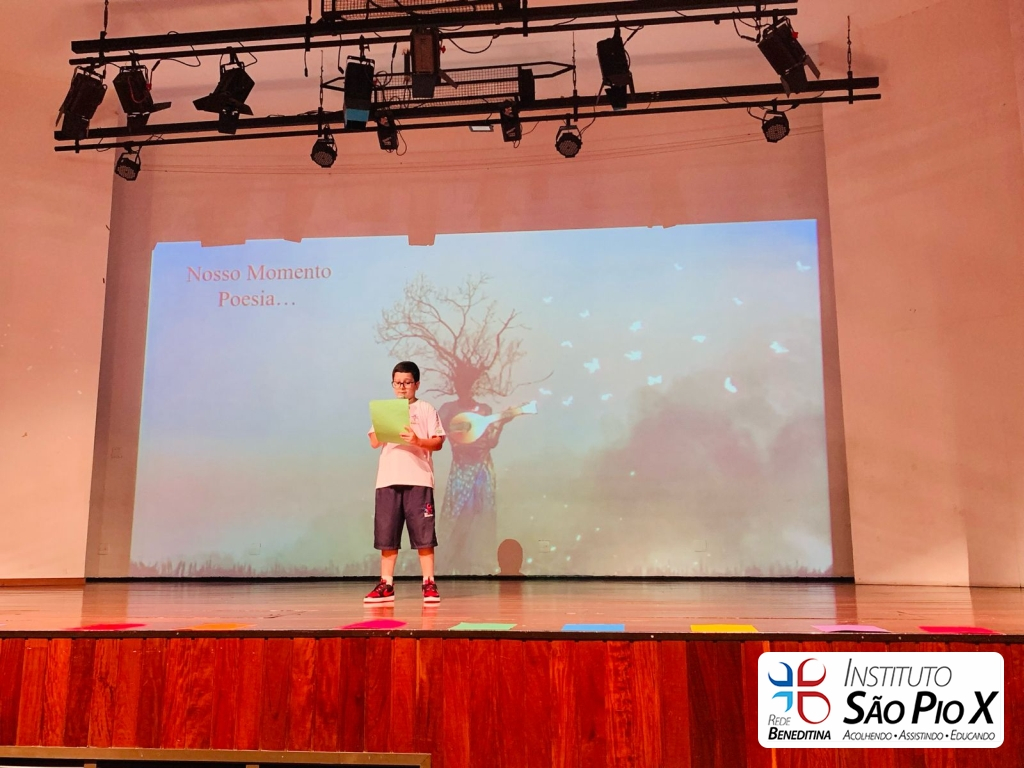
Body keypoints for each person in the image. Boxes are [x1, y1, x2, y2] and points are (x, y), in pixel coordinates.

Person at [365, 361, 446, 604]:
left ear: (416, 384)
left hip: (418, 478)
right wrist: (384, 424)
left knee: (424, 535)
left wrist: (417, 440)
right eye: (397, 383)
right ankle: (386, 584)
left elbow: (438, 442)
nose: (402, 387)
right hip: (388, 478)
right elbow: (374, 442)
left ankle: (428, 582)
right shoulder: (387, 409)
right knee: (387, 534)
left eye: (407, 382)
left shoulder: (425, 408)